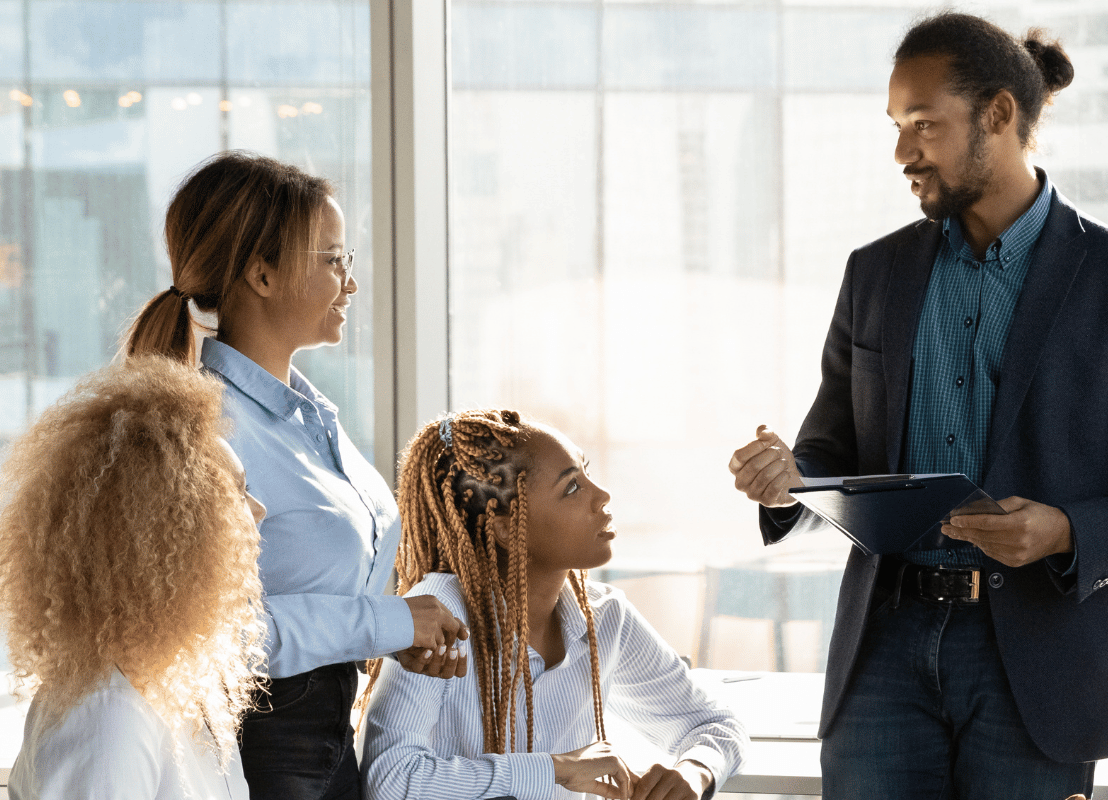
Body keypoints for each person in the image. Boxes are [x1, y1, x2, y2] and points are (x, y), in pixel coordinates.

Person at [725, 12, 1108, 798]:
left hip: (1040, 657)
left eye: (924, 125)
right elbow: (831, 454)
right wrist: (791, 479)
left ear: (998, 116)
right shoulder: (875, 272)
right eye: (896, 126)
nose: (902, 152)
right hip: (884, 644)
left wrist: (1062, 529)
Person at [121, 150, 467, 799]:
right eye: (334, 260)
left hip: (333, 732)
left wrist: (391, 636)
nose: (351, 284)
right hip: (264, 751)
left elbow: (326, 588)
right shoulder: (209, 433)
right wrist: (391, 622)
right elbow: (225, 638)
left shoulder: (310, 418)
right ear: (262, 274)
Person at [363, 410, 745, 800]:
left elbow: (715, 724)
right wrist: (555, 770)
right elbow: (391, 779)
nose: (602, 496)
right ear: (507, 528)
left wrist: (696, 771)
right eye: (572, 488)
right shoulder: (438, 615)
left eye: (586, 473)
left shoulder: (603, 616)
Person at [0, 357, 269, 799]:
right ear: (169, 529)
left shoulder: (177, 687)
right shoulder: (109, 717)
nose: (259, 510)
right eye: (237, 491)